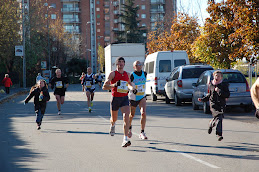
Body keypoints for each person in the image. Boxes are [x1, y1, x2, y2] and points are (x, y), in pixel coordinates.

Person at [103, 56, 135, 147]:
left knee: (126, 117)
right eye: (119, 62)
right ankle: (112, 125)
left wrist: (132, 89)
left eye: (122, 62)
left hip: (124, 98)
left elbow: (129, 84)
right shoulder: (113, 74)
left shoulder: (127, 74)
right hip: (115, 98)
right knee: (114, 119)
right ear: (116, 64)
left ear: (124, 64)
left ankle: (125, 139)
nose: (121, 64)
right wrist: (114, 85)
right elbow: (104, 87)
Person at [198, 70, 230, 141]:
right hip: (213, 104)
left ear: (221, 77)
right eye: (216, 75)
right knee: (219, 118)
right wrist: (203, 99)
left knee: (218, 118)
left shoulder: (224, 85)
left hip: (221, 104)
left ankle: (211, 124)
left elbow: (227, 94)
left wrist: (218, 90)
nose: (217, 77)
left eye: (218, 76)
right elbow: (210, 95)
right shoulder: (211, 84)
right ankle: (219, 134)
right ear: (213, 76)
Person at [128, 61, 148, 140]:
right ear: (134, 67)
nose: (139, 66)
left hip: (142, 96)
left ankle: (142, 132)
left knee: (143, 113)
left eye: (140, 65)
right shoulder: (132, 75)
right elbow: (128, 84)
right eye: (137, 65)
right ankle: (129, 128)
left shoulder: (145, 74)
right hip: (133, 97)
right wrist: (132, 88)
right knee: (132, 115)